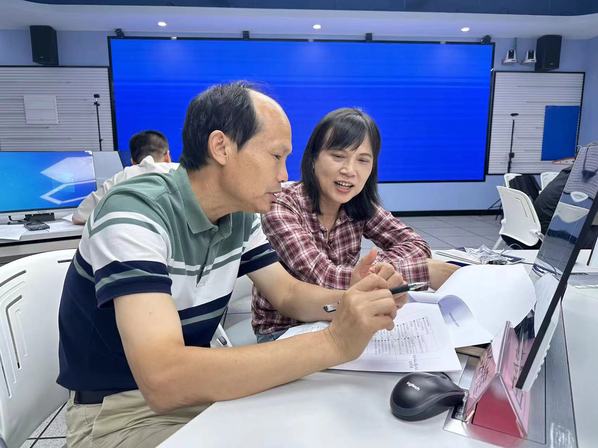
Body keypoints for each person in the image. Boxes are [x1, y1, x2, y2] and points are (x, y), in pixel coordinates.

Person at [57, 82, 406, 448]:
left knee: (325, 423)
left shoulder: (239, 213)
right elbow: (163, 379)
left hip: (197, 396)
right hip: (122, 414)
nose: (284, 174)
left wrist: (355, 300)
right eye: (276, 156)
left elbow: (287, 293)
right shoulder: (135, 213)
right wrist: (336, 342)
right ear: (221, 147)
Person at [252, 107, 459, 342]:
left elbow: (416, 246)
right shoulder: (282, 205)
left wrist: (382, 270)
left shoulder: (358, 204)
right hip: (284, 331)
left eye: (362, 160)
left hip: (343, 319)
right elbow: (322, 275)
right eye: (338, 156)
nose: (349, 170)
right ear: (313, 159)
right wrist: (424, 270)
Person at [72, 130, 177, 224]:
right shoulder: (182, 171)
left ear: (132, 161)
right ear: (168, 156)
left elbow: (80, 215)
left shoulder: (121, 178)